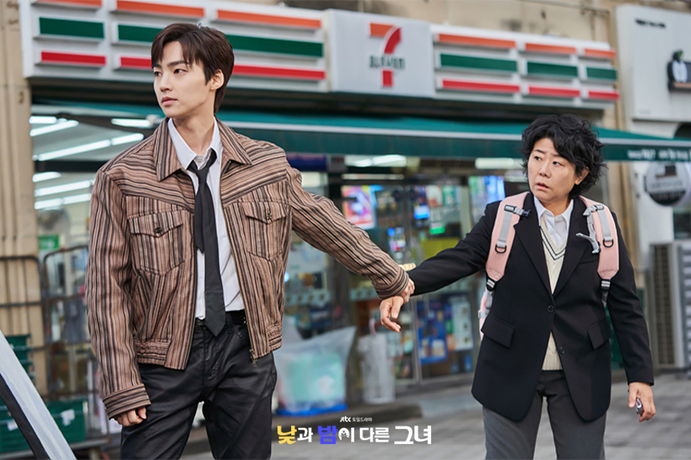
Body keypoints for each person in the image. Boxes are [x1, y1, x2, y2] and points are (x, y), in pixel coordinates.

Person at [86, 23, 413, 460]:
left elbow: (328, 225)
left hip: (246, 348)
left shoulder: (265, 165)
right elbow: (106, 288)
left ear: (215, 78)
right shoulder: (123, 176)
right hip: (162, 355)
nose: (164, 83)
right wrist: (120, 382)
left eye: (179, 70)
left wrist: (391, 277)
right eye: (157, 72)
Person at [380, 114, 656, 459]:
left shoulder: (601, 223)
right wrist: (402, 284)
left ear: (580, 174)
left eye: (557, 162)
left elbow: (625, 305)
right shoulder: (502, 216)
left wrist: (640, 376)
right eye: (537, 158)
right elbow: (459, 259)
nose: (542, 170)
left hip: (581, 368)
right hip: (509, 364)